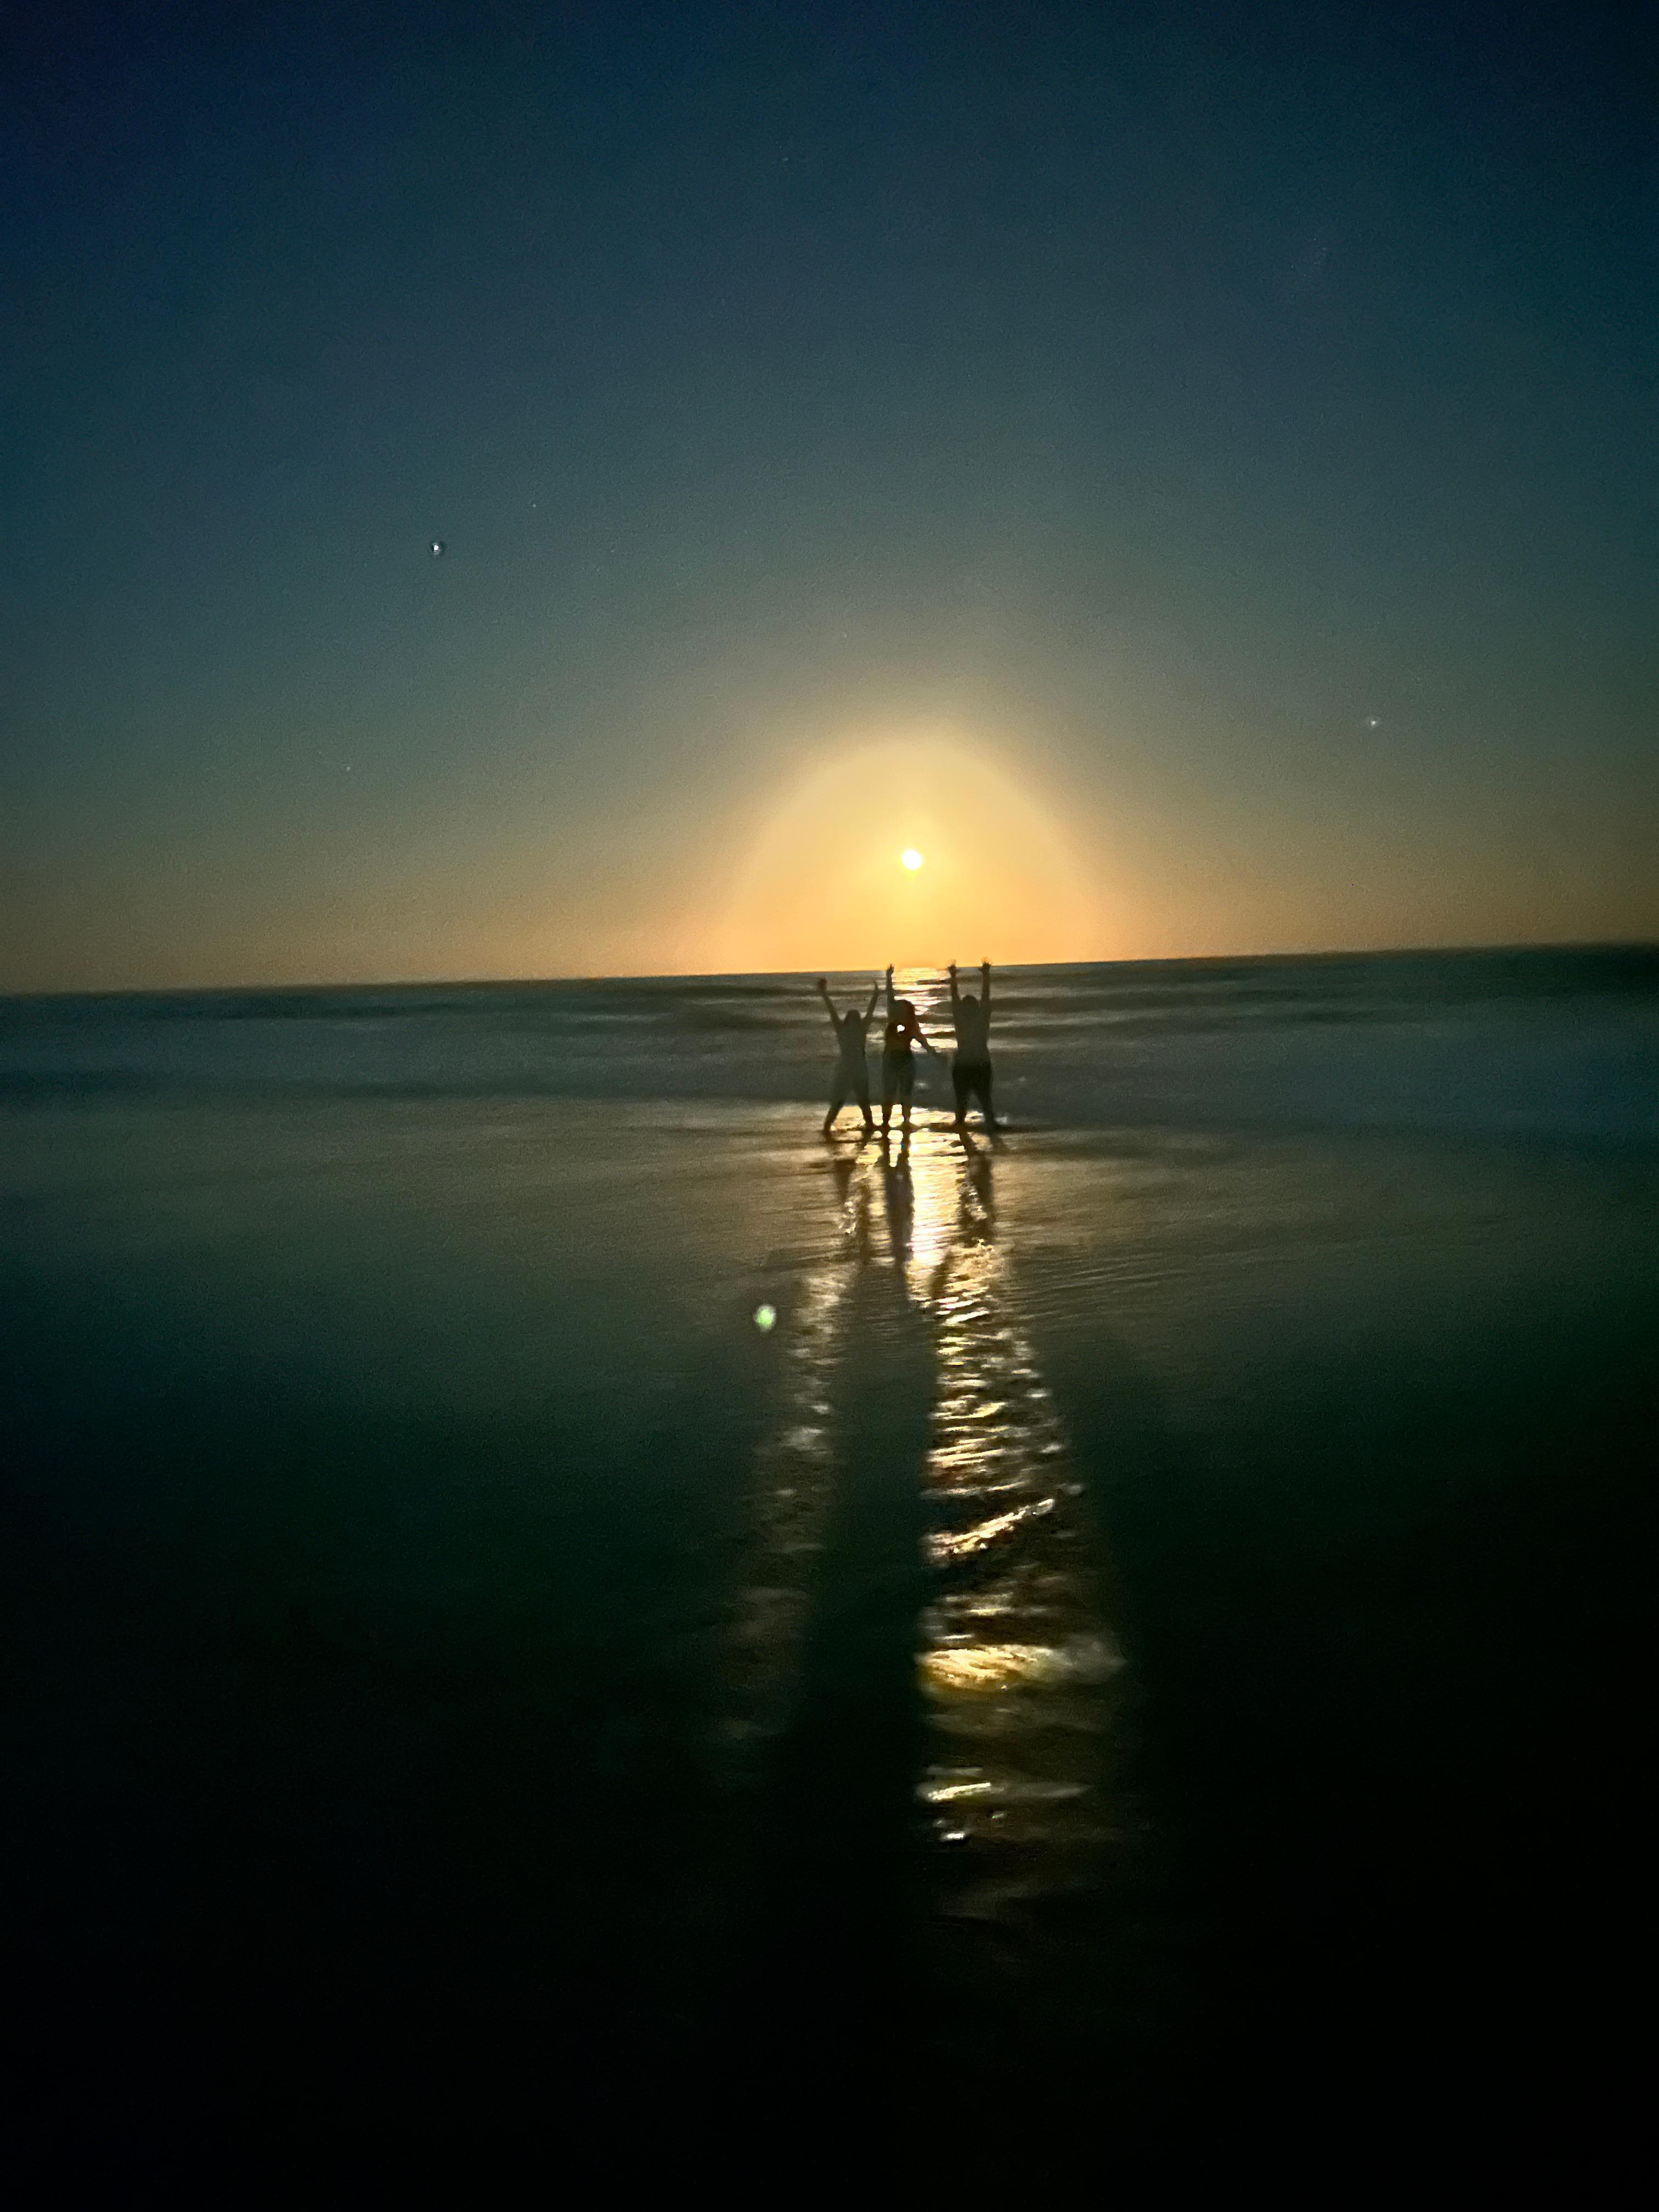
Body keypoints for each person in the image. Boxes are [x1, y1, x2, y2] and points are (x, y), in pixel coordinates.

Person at [880, 964, 941, 1138]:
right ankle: (886, 1123)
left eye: (904, 1009)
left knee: (905, 1094)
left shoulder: (912, 1025)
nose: (900, 1010)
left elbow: (924, 1043)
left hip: (905, 1060)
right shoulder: (893, 1019)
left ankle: (906, 1122)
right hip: (891, 1060)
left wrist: (937, 1056)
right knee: (889, 1093)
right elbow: (890, 998)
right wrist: (889, 978)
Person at [815, 974, 879, 1135]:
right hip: (849, 1068)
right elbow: (832, 1010)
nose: (854, 1019)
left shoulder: (855, 1029)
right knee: (843, 1101)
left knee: (860, 1101)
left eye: (855, 1017)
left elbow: (870, 1012)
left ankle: (869, 1125)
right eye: (853, 1017)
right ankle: (827, 1128)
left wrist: (876, 995)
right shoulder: (847, 1029)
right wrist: (824, 993)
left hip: (855, 1068)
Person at [947, 959, 998, 1132]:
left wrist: (953, 977)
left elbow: (955, 998)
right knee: (985, 1102)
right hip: (980, 1064)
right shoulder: (982, 1019)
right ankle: (990, 1128)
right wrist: (986, 976)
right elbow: (985, 997)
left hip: (964, 1065)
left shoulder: (961, 1020)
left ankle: (961, 1127)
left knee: (962, 1103)